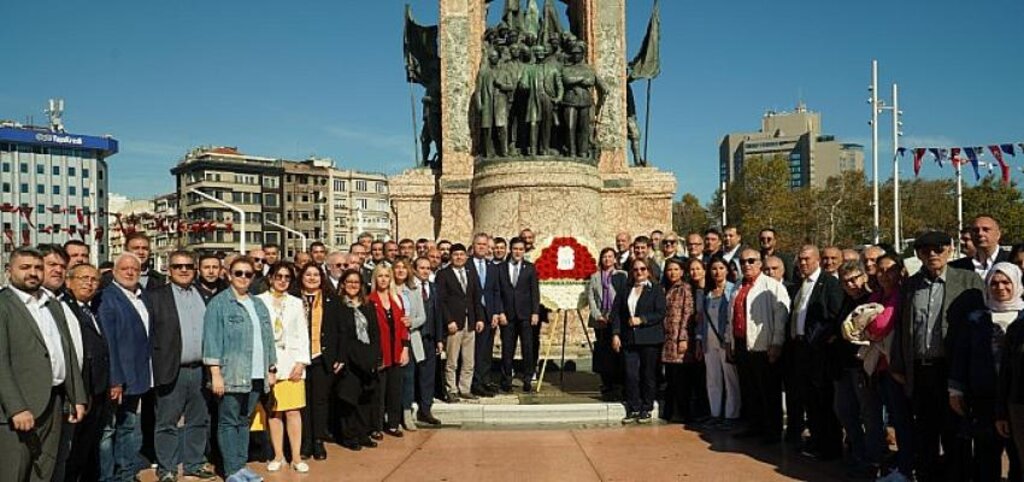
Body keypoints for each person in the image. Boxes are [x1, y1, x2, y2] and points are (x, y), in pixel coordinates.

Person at [890, 231, 985, 481]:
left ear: (950, 250)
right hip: (921, 371)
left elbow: (979, 327)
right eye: (925, 250)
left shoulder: (968, 280)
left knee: (956, 434)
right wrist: (898, 364)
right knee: (925, 433)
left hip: (952, 369)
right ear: (918, 255)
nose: (932, 254)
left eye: (938, 249)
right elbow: (902, 327)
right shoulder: (911, 285)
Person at [0, 247, 86, 482]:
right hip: (19, 408)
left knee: (45, 471)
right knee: (14, 471)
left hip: (53, 403)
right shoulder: (4, 306)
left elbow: (66, 352)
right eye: (25, 267)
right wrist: (16, 407)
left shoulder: (52, 305)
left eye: (38, 267)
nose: (33, 273)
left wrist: (77, 396)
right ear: (9, 271)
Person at [202, 257, 277, 482]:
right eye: (238, 273)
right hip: (231, 373)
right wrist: (215, 374)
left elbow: (268, 338)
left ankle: (241, 465)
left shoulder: (258, 304)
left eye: (248, 274)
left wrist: (271, 369)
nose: (243, 278)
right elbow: (212, 340)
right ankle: (232, 470)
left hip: (256, 374)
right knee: (228, 421)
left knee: (244, 421)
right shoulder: (219, 303)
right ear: (229, 275)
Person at [146, 251, 216, 481]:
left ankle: (194, 462)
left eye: (188, 266)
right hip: (171, 369)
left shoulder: (202, 294)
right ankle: (166, 467)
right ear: (169, 269)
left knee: (198, 419)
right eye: (178, 266)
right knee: (167, 421)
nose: (184, 270)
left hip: (199, 370)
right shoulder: (156, 297)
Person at [950, 262, 1023, 481]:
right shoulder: (976, 319)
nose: (1000, 288)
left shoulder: (1022, 319)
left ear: (1017, 284)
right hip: (983, 398)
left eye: (1006, 282)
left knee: (1018, 458)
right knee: (986, 456)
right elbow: (961, 355)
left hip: (1017, 399)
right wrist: (955, 390)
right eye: (994, 283)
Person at [97, 253, 154, 482]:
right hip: (118, 379)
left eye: (135, 269)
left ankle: (126, 473)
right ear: (114, 271)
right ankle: (108, 476)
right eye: (124, 268)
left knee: (128, 427)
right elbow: (109, 342)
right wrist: (115, 380)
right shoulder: (107, 298)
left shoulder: (142, 297)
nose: (130, 272)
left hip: (137, 376)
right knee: (109, 431)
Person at [785, 246, 844, 459]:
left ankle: (830, 445)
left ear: (817, 260)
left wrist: (823, 339)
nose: (802, 263)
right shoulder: (802, 285)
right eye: (800, 260)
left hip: (820, 351)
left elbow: (835, 316)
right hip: (801, 350)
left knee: (823, 399)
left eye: (807, 259)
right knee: (809, 398)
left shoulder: (829, 284)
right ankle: (816, 440)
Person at [728, 248, 790, 444]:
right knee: (749, 389)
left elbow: (781, 317)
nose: (747, 265)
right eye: (743, 261)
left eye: (751, 261)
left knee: (768, 390)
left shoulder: (772, 286)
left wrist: (776, 343)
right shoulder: (738, 286)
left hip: (763, 346)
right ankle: (755, 426)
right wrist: (729, 341)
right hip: (741, 343)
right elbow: (731, 318)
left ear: (760, 263)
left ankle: (772, 432)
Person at [256, 263, 311, 473]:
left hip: (292, 362)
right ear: (270, 278)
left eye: (287, 277)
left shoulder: (296, 303)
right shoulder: (259, 301)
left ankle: (296, 457)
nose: (282, 280)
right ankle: (278, 455)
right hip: (270, 364)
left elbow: (302, 333)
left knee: (293, 411)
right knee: (274, 411)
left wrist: (301, 362)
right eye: (278, 276)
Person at [833, 260, 885, 479]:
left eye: (855, 279)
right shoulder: (844, 301)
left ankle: (873, 460)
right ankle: (858, 453)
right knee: (844, 411)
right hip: (843, 366)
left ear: (864, 277)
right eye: (846, 281)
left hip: (863, 366)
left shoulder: (871, 301)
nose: (851, 284)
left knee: (870, 415)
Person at [64, 263, 114, 482]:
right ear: (69, 281)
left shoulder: (94, 309)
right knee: (74, 450)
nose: (89, 283)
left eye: (94, 279)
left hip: (99, 388)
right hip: (81, 389)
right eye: (83, 278)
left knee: (90, 445)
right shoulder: (65, 309)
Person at [327, 270, 380, 451]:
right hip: (348, 359)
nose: (353, 285)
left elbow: (374, 332)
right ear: (342, 283)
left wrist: (375, 357)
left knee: (365, 398)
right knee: (348, 399)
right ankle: (348, 436)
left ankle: (362, 433)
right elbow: (336, 333)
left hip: (366, 358)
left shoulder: (368, 305)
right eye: (349, 281)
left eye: (356, 282)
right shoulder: (336, 305)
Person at [612, 258, 667, 424]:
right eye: (635, 270)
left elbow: (660, 312)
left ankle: (647, 407)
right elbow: (616, 313)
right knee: (631, 374)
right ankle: (634, 407)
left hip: (649, 338)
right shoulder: (625, 290)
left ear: (648, 271)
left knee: (648, 374)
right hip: (630, 339)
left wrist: (642, 319)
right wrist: (616, 334)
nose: (639, 272)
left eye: (643, 269)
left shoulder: (656, 290)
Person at [436, 244, 485, 402]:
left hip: (469, 321)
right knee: (452, 360)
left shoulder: (471, 273)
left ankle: (465, 388)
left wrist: (479, 318)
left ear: (466, 256)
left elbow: (476, 297)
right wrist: (448, 320)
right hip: (454, 323)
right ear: (451, 256)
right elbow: (441, 300)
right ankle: (452, 389)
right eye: (455, 254)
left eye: (461, 254)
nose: (459, 257)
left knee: (469, 359)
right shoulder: (443, 274)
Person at [367, 264, 410, 438]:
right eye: (380, 276)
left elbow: (403, 326)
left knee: (395, 390)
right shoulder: (369, 300)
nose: (383, 279)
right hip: (380, 352)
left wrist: (405, 348)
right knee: (378, 391)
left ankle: (393, 424)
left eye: (386, 276)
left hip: (397, 350)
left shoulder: (397, 299)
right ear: (375, 279)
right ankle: (376, 426)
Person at [697, 257, 740, 428]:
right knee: (713, 378)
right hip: (710, 340)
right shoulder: (707, 293)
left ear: (727, 270)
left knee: (730, 378)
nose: (717, 272)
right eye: (714, 268)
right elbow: (701, 320)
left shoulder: (732, 290)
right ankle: (715, 413)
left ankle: (732, 415)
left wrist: (730, 340)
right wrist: (699, 340)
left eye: (721, 268)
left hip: (726, 340)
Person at [296, 263, 332, 461]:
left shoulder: (330, 299)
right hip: (298, 359)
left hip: (321, 357)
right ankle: (305, 441)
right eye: (308, 274)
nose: (312, 278)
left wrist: (338, 357)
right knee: (302, 402)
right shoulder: (293, 299)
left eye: (316, 275)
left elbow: (339, 329)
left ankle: (318, 440)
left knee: (319, 401)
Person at [497, 237, 541, 393]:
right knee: (507, 349)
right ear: (511, 249)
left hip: (526, 315)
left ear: (524, 251)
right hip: (507, 315)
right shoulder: (501, 268)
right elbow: (498, 293)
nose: (518, 252)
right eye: (515, 249)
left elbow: (534, 292)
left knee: (527, 348)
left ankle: (527, 378)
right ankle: (506, 380)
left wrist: (535, 312)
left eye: (521, 249)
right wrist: (500, 311)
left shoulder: (530, 268)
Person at [467, 233, 505, 397]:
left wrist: (496, 312)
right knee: (475, 350)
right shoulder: (467, 265)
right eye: (479, 244)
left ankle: (484, 380)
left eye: (485, 245)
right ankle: (475, 382)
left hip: (490, 313)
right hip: (474, 313)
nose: (482, 247)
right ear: (473, 246)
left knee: (486, 350)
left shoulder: (492, 267)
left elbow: (496, 291)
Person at [660, 258, 697, 423]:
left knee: (682, 379)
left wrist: (683, 338)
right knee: (671, 377)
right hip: (667, 339)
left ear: (682, 272)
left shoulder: (685, 289)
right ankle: (670, 412)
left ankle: (684, 413)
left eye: (676, 269)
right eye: (669, 269)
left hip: (679, 339)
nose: (672, 273)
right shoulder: (666, 289)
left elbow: (687, 314)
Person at [588, 247, 627, 401]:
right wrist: (597, 315)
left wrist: (615, 314)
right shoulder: (595, 276)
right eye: (604, 257)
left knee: (616, 350)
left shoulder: (622, 275)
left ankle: (619, 384)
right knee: (604, 351)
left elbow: (624, 296)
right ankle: (607, 383)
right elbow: (591, 297)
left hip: (616, 317)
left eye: (610, 257)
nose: (607, 260)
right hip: (601, 319)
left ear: (615, 259)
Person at [391, 257, 425, 431]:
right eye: (397, 267)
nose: (400, 271)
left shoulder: (414, 291)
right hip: (391, 340)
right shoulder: (387, 290)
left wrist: (410, 322)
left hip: (410, 339)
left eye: (404, 268)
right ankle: (393, 416)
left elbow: (422, 317)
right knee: (393, 379)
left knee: (408, 378)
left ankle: (406, 413)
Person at [411, 257, 443, 425]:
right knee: (412, 375)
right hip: (415, 336)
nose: (425, 271)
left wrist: (439, 339)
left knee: (428, 375)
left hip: (430, 337)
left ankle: (425, 409)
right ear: (415, 269)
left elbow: (438, 314)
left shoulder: (433, 288)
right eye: (421, 268)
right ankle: (408, 409)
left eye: (428, 268)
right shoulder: (409, 288)